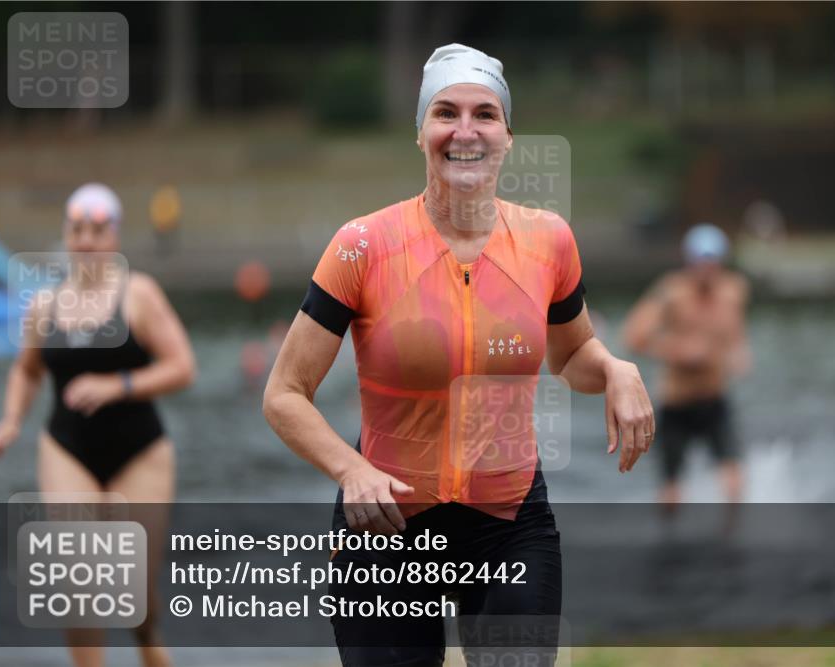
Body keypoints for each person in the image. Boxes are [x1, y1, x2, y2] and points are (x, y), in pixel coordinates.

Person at [263, 44, 655, 666]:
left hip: (509, 524)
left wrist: (614, 367)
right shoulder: (362, 245)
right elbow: (284, 393)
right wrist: (349, 470)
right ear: (420, 133)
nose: (465, 131)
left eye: (485, 114)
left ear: (507, 136)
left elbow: (572, 353)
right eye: (445, 112)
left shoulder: (548, 240)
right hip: (386, 525)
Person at [0, 183, 196, 667]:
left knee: (135, 593)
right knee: (77, 577)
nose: (86, 241)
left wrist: (116, 384)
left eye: (97, 231)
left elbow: (182, 366)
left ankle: (147, 641)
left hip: (140, 450)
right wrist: (11, 420)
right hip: (67, 448)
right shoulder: (44, 304)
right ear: (66, 235)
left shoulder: (139, 295)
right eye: (77, 230)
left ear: (114, 237)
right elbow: (26, 369)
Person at [622, 224, 751, 509]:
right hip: (677, 402)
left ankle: (732, 541)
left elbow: (736, 335)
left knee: (734, 481)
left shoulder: (734, 291)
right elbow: (634, 336)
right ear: (689, 261)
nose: (707, 268)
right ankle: (670, 543)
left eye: (712, 260)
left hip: (714, 399)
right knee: (671, 492)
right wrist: (677, 352)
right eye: (700, 261)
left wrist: (739, 354)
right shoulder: (672, 292)